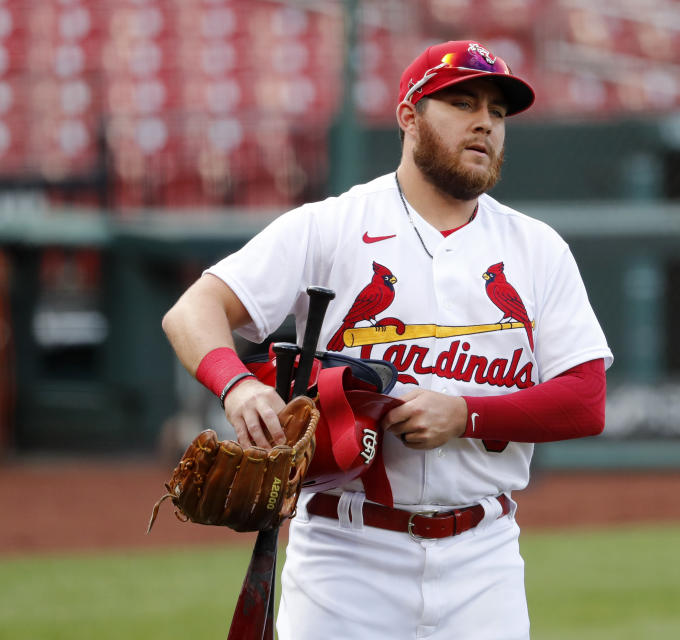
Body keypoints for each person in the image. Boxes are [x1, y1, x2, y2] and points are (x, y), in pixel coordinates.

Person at [161, 40, 613, 640]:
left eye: (498, 112)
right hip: (346, 558)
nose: (484, 122)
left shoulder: (536, 248)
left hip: (485, 559)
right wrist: (238, 387)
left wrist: (467, 415)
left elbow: (586, 399)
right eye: (461, 102)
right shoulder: (330, 226)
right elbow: (192, 310)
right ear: (409, 116)